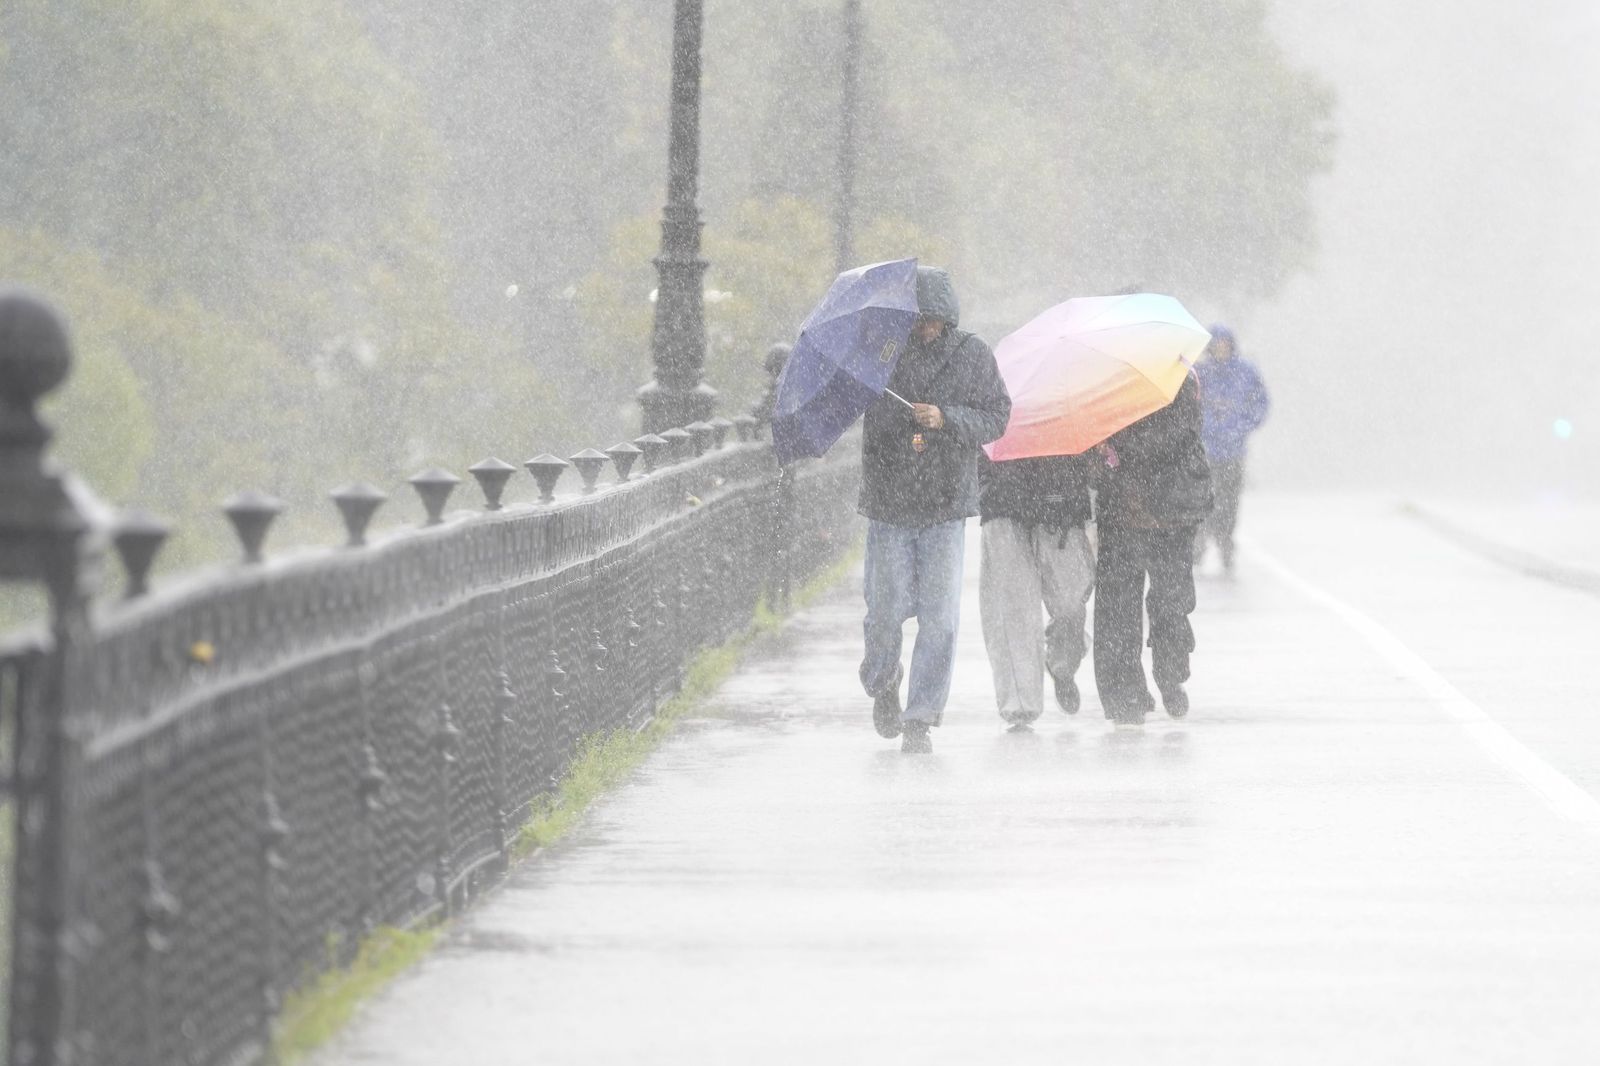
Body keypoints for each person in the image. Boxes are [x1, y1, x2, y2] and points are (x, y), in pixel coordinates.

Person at [858, 266, 1011, 753]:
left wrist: (946, 418)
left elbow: (996, 417)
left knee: (940, 620)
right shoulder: (882, 354)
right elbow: (868, 419)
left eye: (932, 320)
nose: (924, 328)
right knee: (884, 614)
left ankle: (920, 716)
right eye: (918, 319)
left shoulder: (973, 356)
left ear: (947, 319)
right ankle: (883, 680)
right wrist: (902, 414)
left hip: (945, 505)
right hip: (890, 503)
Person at [1092, 374, 1213, 725]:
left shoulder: (1179, 378)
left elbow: (1180, 436)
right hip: (1121, 513)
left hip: (1170, 514)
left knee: (1172, 605)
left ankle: (1170, 675)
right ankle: (1123, 696)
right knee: (1117, 611)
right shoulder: (1103, 383)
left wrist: (1121, 444)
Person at [978, 451, 1096, 728]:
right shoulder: (996, 406)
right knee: (1014, 612)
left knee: (1070, 602)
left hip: (1062, 503)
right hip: (1003, 502)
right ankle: (1020, 707)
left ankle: (1062, 664)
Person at [1193, 325, 1269, 574]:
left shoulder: (1246, 372)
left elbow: (1261, 403)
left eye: (1224, 344)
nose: (1221, 349)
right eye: (1216, 345)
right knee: (1202, 500)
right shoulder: (1200, 374)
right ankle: (1199, 544)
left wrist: (1243, 425)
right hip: (1204, 451)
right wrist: (1201, 428)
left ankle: (1226, 543)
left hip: (1234, 452)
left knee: (1229, 501)